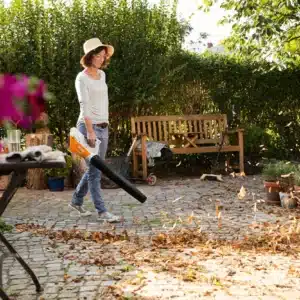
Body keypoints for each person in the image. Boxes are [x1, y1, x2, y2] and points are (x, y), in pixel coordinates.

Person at [69, 38, 120, 223]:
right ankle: (102, 211)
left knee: (94, 169)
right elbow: (85, 105)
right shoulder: (81, 78)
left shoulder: (102, 75)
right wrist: (90, 132)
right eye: (97, 55)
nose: (101, 59)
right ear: (89, 57)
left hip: (103, 127)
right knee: (96, 171)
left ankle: (76, 200)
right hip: (88, 128)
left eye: (103, 55)